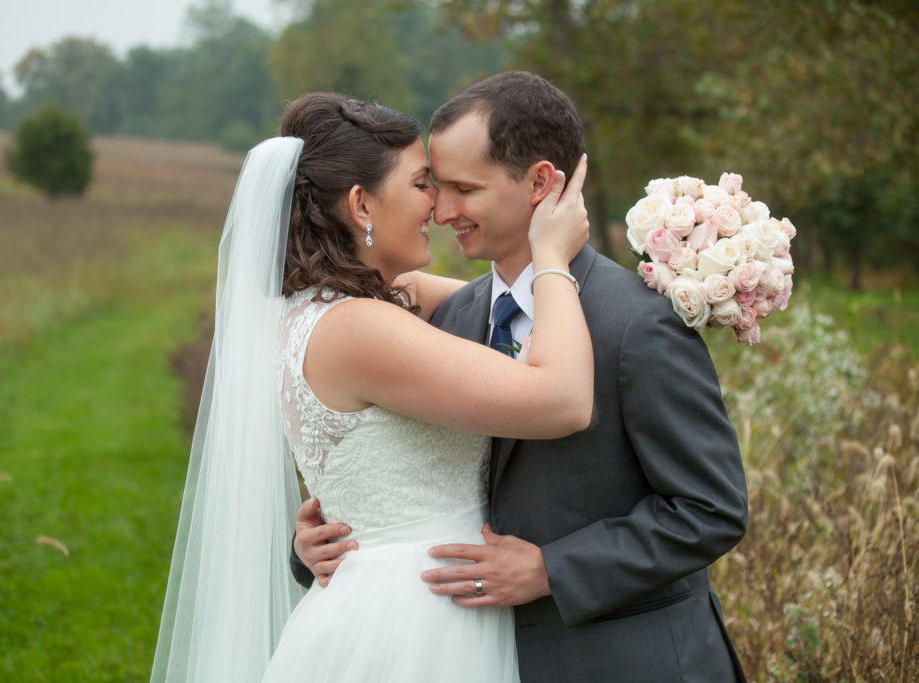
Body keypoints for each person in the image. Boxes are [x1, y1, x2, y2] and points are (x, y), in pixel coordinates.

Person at [293, 72, 750, 681]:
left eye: (462, 188)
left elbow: (711, 508)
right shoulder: (447, 317)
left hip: (630, 662)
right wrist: (314, 547)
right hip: (479, 655)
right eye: (434, 186)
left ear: (539, 182)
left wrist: (553, 569)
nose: (441, 208)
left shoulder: (637, 322)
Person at [150, 91, 593, 682]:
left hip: (408, 593)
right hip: (417, 619)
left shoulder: (326, 305)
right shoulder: (358, 327)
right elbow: (561, 400)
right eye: (421, 185)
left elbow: (490, 304)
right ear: (361, 202)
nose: (438, 208)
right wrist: (554, 256)